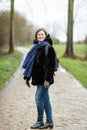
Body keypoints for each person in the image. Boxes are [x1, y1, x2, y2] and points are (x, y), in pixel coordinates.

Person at [22, 28, 56, 129]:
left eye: (42, 34)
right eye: (38, 35)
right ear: (36, 36)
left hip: (45, 80)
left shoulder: (48, 48)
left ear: (45, 36)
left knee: (38, 99)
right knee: (45, 100)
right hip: (38, 79)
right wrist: (27, 77)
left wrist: (47, 80)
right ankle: (49, 121)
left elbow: (51, 65)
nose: (40, 36)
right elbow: (32, 65)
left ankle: (40, 121)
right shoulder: (36, 48)